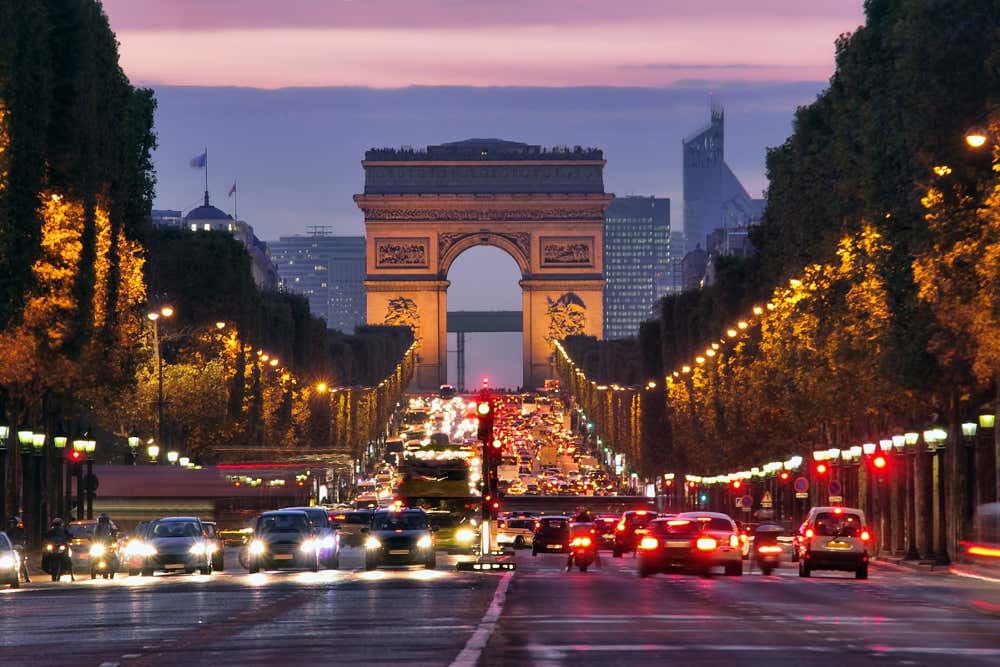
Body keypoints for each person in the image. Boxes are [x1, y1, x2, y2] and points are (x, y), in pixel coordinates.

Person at [6, 516, 29, 582]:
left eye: (13, 523)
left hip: (20, 548)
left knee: (22, 562)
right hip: (11, 548)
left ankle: (26, 577)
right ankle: (9, 576)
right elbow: (7, 539)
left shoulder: (21, 531)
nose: (12, 524)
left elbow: (24, 538)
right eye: (11, 523)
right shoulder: (8, 531)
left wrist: (22, 543)